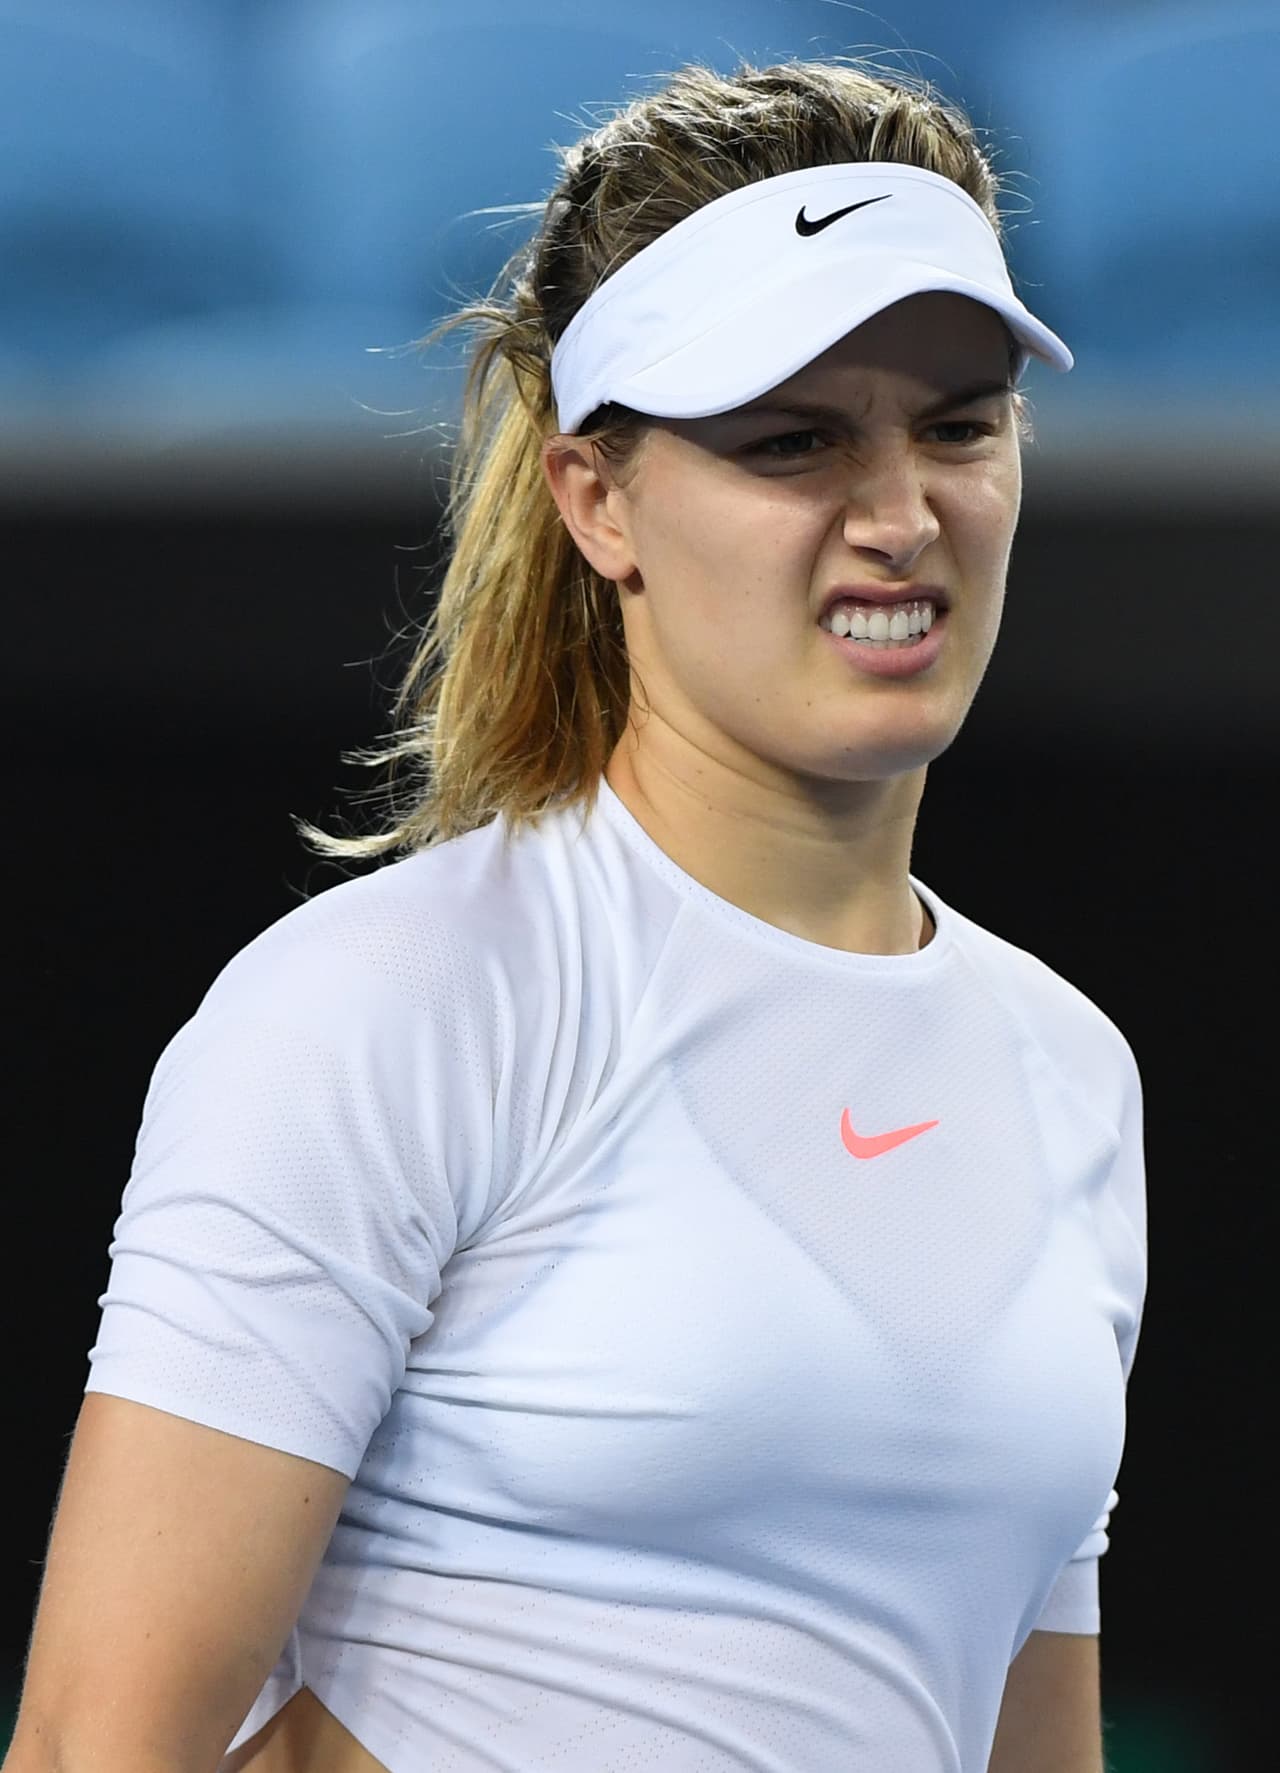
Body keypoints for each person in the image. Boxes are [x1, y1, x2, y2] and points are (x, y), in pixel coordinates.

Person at [5, 57, 1147, 1773]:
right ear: (596, 499)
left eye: (960, 423)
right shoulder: (388, 1003)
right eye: (793, 440)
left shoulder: (1075, 1071)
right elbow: (103, 1746)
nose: (902, 515)